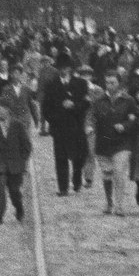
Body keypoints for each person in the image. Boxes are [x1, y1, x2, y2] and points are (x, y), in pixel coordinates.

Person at [90, 71, 138, 216]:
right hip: (104, 143)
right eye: (107, 83)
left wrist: (125, 126)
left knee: (119, 172)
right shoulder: (99, 101)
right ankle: (109, 202)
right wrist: (89, 125)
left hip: (122, 143)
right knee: (107, 175)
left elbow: (134, 119)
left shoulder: (128, 101)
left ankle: (120, 205)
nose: (110, 86)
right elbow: (92, 116)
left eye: (113, 83)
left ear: (119, 83)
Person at [42, 63, 91, 196]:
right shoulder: (51, 85)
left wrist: (74, 105)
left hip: (76, 126)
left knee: (79, 156)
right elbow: (45, 108)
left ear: (70, 68)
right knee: (61, 158)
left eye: (66, 67)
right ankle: (63, 187)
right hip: (59, 128)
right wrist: (56, 118)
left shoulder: (81, 83)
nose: (63, 70)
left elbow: (86, 103)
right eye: (61, 67)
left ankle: (77, 179)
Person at [0, 87, 33, 226]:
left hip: (16, 165)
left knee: (14, 191)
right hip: (1, 163)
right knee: (0, 189)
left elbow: (27, 146)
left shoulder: (17, 125)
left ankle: (19, 207)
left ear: (7, 110)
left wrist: (22, 161)